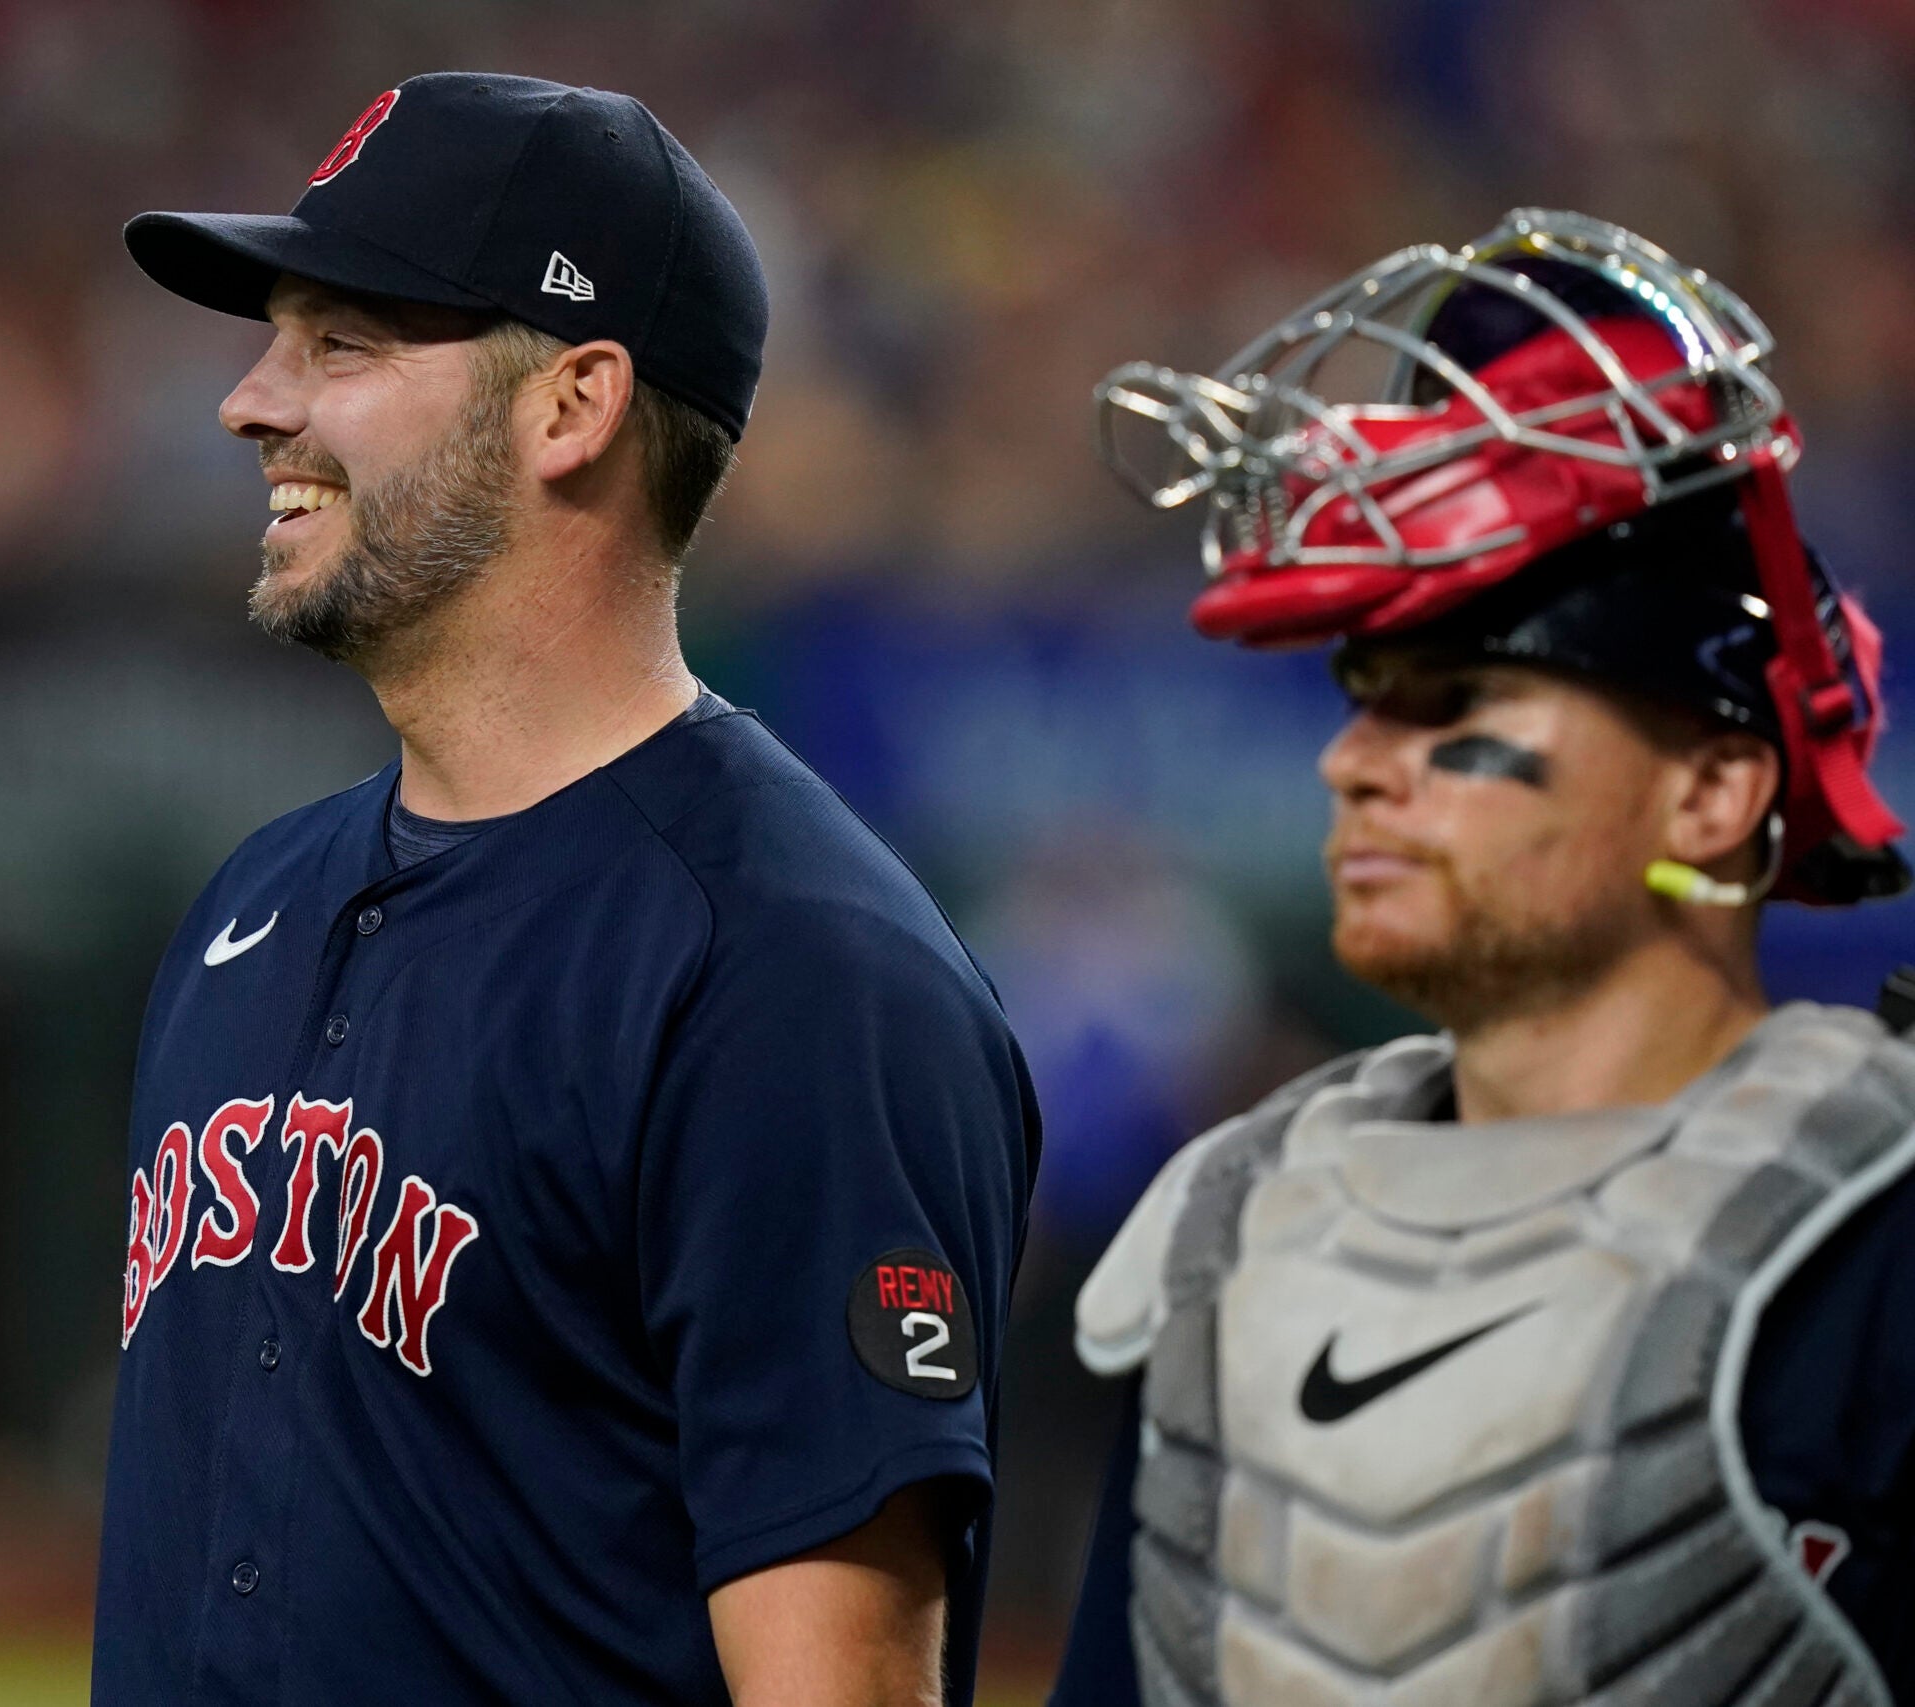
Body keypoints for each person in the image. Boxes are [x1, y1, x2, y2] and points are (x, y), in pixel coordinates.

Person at [93, 73, 1039, 1707]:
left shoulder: (791, 968)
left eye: (342, 344)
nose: (253, 401)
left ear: (571, 406)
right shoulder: (256, 897)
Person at [1051, 210, 1915, 1707]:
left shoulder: (1882, 1245)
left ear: (1711, 790)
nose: (1352, 764)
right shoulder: (1227, 1240)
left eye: (1452, 707)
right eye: (1363, 696)